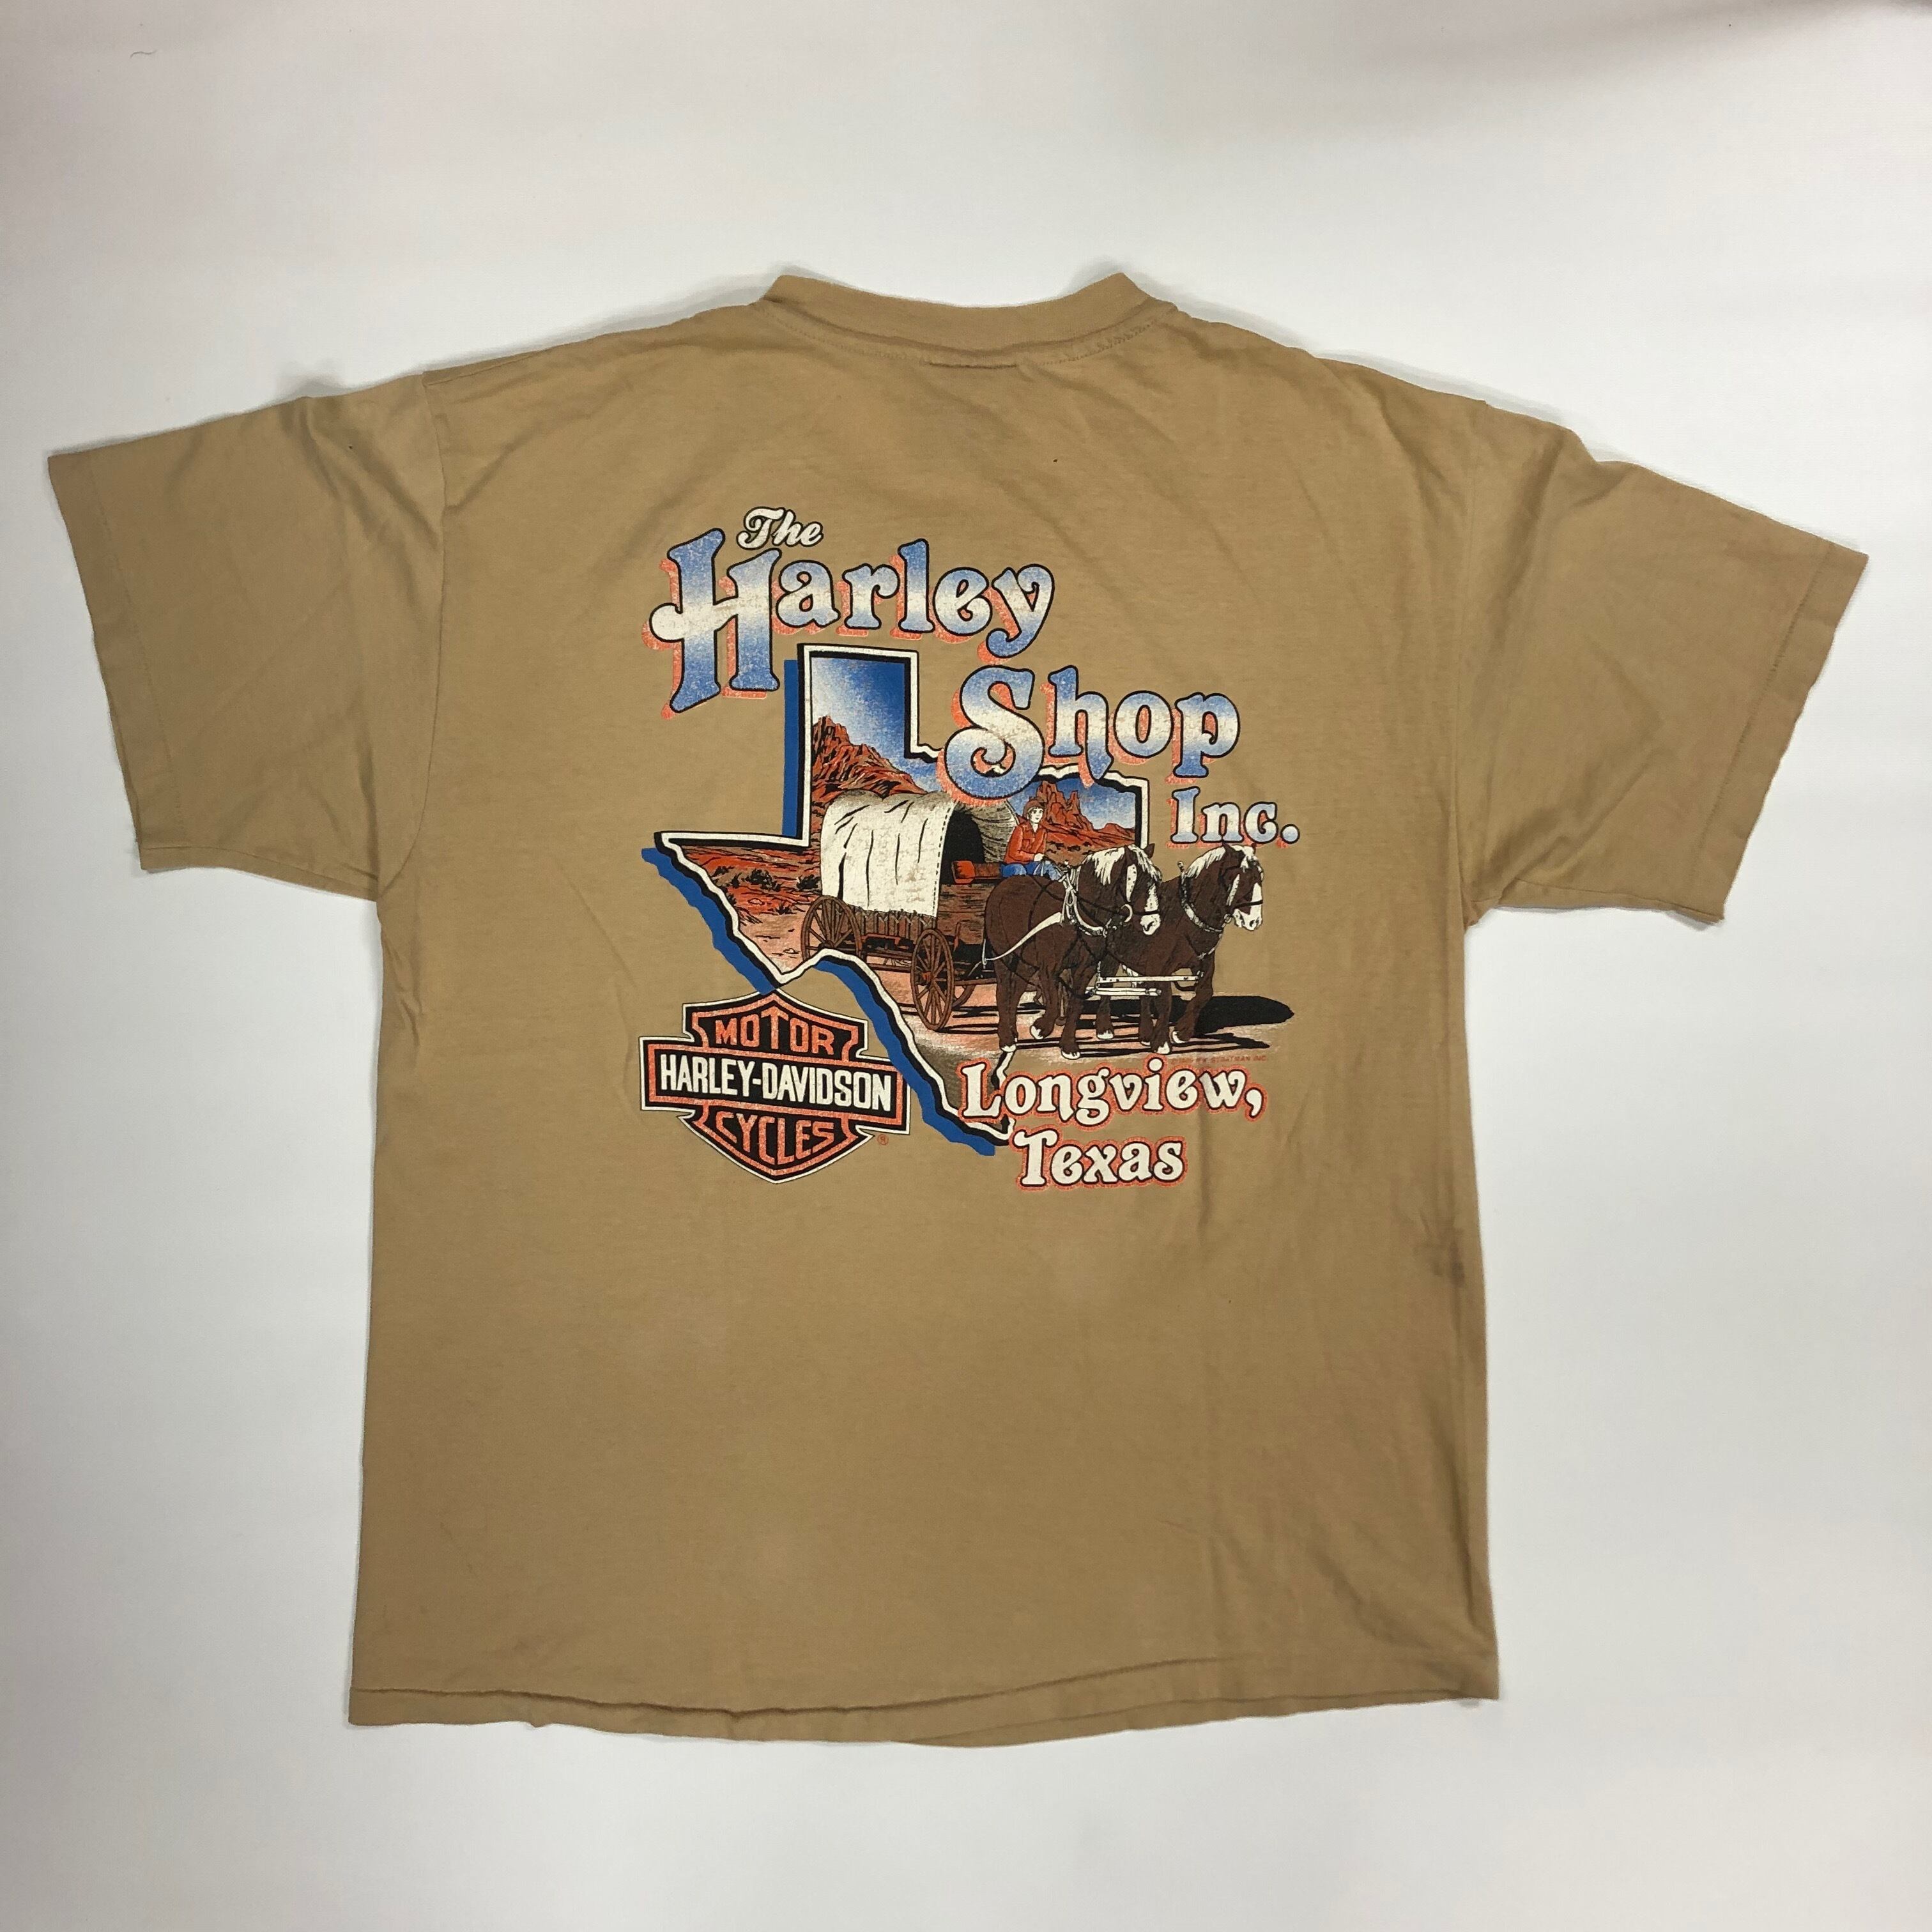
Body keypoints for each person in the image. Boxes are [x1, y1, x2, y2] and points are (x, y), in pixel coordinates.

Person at [1001, 796, 1055, 877]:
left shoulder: (1043, 831)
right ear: (1029, 815)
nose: (1038, 815)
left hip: (1030, 866)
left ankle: (1062, 883)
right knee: (1020, 870)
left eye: (1040, 812)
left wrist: (1040, 858)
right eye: (1035, 812)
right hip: (1012, 865)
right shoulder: (1021, 829)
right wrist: (1033, 857)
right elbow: (1014, 853)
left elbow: (1041, 851)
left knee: (1047, 866)